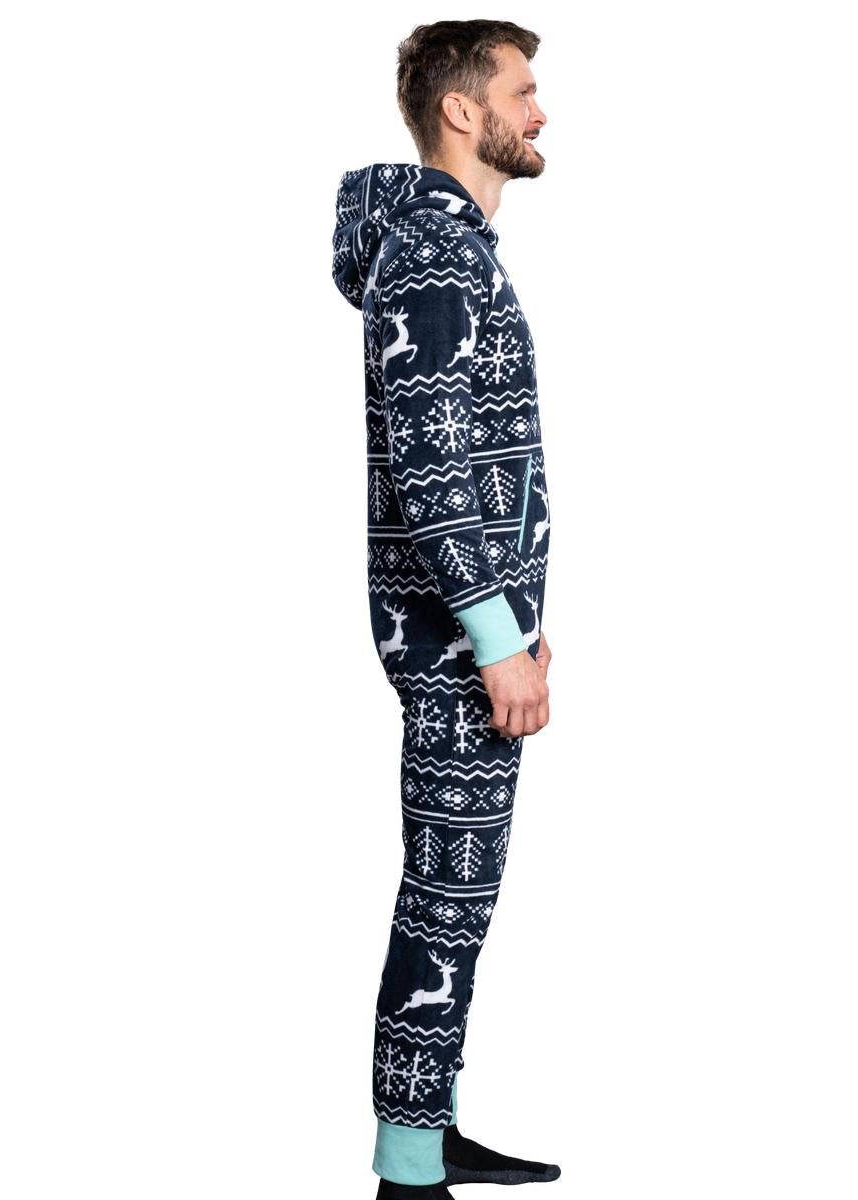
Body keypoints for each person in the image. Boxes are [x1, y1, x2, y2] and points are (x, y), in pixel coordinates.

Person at [331, 20, 560, 1198]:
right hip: (453, 646)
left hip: (472, 633)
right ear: (462, 111)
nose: (540, 111)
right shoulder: (432, 253)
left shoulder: (450, 248)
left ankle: (428, 1129)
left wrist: (516, 617)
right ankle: (409, 1170)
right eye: (522, 91)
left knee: (455, 891)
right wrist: (494, 636)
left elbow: (468, 453)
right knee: (446, 893)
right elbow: (430, 468)